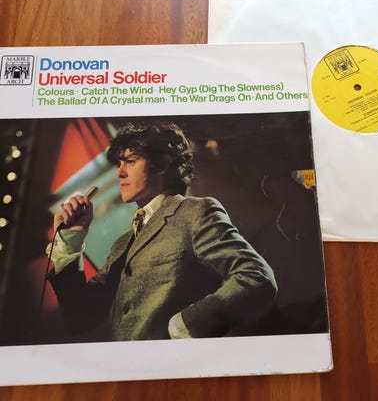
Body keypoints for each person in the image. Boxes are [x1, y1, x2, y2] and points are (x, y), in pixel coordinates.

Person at [47, 121, 277, 341]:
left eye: (131, 161)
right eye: (119, 164)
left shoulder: (194, 212)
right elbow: (80, 317)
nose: (119, 173)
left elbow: (256, 276)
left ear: (163, 164)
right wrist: (71, 238)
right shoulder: (122, 244)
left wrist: (185, 326)